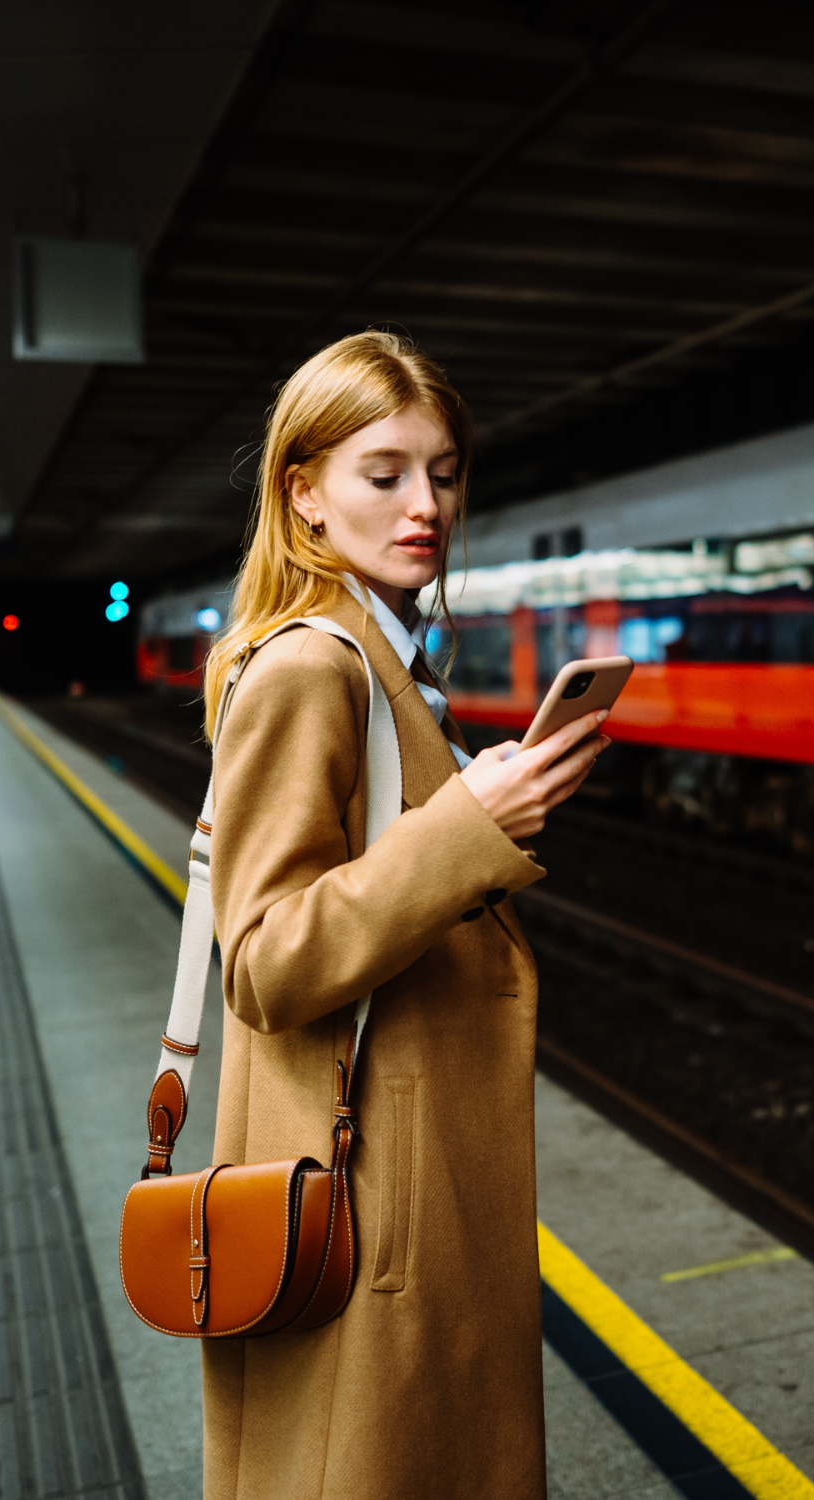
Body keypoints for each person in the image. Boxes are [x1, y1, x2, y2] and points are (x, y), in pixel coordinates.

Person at [197, 331, 607, 1498]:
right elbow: (264, 961)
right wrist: (467, 828)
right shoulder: (309, 672)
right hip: (368, 1179)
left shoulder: (386, 658)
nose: (424, 504)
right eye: (383, 474)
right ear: (305, 494)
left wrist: (474, 817)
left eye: (443, 471)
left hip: (399, 1162)